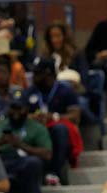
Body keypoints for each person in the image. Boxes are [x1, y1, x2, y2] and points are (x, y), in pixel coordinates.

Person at [0, 91, 51, 193]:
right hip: (0, 162)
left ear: (26, 109)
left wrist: (20, 145)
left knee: (33, 163)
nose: (16, 112)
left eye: (19, 108)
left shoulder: (36, 127)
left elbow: (47, 154)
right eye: (13, 108)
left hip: (22, 163)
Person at [23, 57, 81, 185]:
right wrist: (32, 118)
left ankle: (55, 172)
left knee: (60, 130)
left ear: (48, 74)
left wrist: (54, 116)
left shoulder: (65, 90)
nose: (33, 76)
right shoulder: (30, 92)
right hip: (35, 130)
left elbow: (75, 115)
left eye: (37, 73)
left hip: (55, 127)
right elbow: (19, 113)